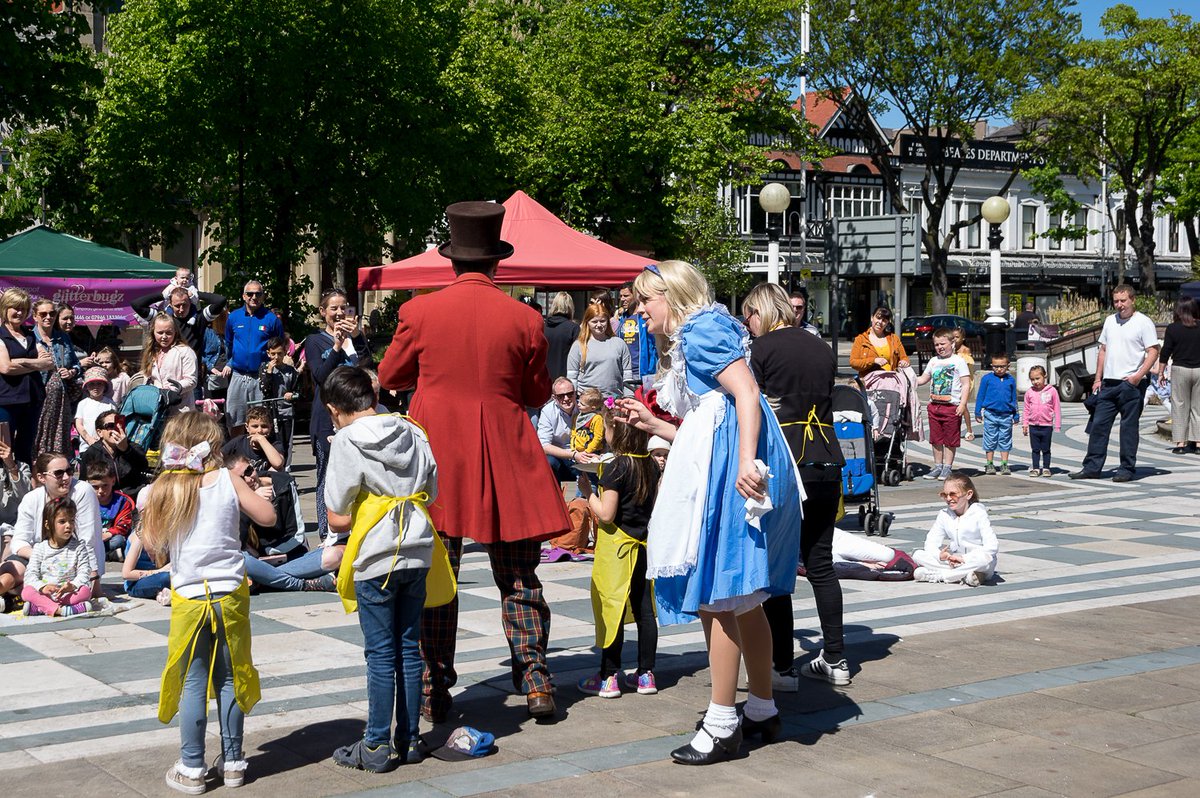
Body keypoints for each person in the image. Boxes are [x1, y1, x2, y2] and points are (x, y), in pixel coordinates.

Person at [378, 201, 570, 722]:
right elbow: (534, 393)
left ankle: (434, 687)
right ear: (495, 263)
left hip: (440, 461)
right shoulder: (526, 318)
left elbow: (391, 376)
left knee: (438, 578)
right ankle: (535, 679)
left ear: (452, 261)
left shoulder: (418, 311)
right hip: (509, 454)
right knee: (520, 575)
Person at [615, 260, 802, 765]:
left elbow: (746, 392)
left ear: (671, 297)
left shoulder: (699, 332)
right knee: (744, 599)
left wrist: (746, 461)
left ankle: (722, 723)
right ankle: (760, 708)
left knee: (717, 596)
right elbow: (709, 420)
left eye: (645, 300)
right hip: (726, 459)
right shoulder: (704, 330)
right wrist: (655, 424)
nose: (639, 310)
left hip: (731, 470)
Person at [141, 412, 275, 794]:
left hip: (189, 596)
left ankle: (192, 765)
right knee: (231, 677)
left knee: (194, 681)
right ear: (212, 446)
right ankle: (233, 762)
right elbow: (267, 516)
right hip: (231, 591)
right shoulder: (228, 480)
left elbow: (154, 549)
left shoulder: (164, 488)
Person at [322, 366, 439, 771]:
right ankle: (408, 739)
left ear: (335, 408)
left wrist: (367, 507)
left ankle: (375, 744)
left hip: (376, 553)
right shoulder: (412, 428)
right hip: (418, 546)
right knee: (409, 648)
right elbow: (433, 489)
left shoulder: (347, 440)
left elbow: (336, 513)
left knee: (379, 654)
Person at [743, 283, 850, 690]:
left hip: (786, 464)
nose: (747, 323)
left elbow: (752, 405)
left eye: (750, 314)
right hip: (826, 459)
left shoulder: (762, 350)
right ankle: (837, 658)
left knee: (777, 568)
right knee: (821, 563)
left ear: (762, 312)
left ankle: (783, 667)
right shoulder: (821, 348)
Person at [575, 403, 659, 699]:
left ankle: (608, 676)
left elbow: (607, 514)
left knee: (612, 608)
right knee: (645, 610)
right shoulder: (649, 462)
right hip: (644, 545)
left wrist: (589, 493)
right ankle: (646, 674)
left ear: (617, 434)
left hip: (619, 549)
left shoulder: (616, 467)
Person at [1072, 284, 1160, 482]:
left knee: (1128, 428)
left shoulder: (1143, 322)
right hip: (1108, 383)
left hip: (1131, 384)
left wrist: (1138, 376)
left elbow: (1153, 351)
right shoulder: (1110, 321)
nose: (1119, 305)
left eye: (1123, 301)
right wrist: (1097, 378)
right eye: (1116, 301)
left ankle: (1126, 468)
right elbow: (1103, 350)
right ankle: (1092, 467)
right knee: (1098, 426)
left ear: (1132, 300)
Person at [304, 288, 371, 538]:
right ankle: (326, 533)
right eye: (334, 308)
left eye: (344, 307)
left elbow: (367, 369)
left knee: (357, 475)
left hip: (355, 417)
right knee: (327, 475)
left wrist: (357, 338)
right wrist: (336, 346)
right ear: (323, 312)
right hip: (326, 418)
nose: (339, 312)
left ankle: (355, 530)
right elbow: (320, 376)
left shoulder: (356, 339)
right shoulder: (314, 341)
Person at [0, 452, 103, 602]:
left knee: (75, 593)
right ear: (41, 477)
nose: (67, 477)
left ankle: (16, 594)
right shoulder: (32, 499)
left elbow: (88, 539)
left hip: (72, 560)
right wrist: (43, 555)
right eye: (59, 473)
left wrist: (94, 580)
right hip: (36, 556)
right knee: (9, 574)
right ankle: (13, 591)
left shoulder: (83, 491)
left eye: (69, 471)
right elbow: (19, 541)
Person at [912, 471, 998, 586]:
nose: (948, 499)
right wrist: (940, 555)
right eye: (944, 495)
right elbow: (930, 543)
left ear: (968, 494)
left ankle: (943, 576)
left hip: (973, 562)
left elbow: (992, 547)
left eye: (953, 494)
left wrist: (964, 558)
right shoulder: (943, 515)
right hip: (953, 562)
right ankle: (966, 577)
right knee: (918, 554)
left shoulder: (979, 513)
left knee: (984, 559)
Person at [0, 289, 54, 465]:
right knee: (3, 448)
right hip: (7, 401)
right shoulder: (1, 335)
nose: (19, 312)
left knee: (26, 447)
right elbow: (6, 367)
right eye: (15, 308)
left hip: (32, 399)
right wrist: (34, 362)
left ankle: (23, 485)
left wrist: (22, 361)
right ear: (5, 308)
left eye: (23, 309)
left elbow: (48, 362)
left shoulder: (30, 334)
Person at [21, 497, 99, 617]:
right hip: (46, 593)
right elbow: (30, 575)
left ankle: (41, 608)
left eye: (72, 521)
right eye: (62, 522)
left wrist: (72, 585)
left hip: (67, 594)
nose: (68, 525)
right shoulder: (40, 548)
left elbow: (84, 573)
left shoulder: (79, 547)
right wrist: (42, 587)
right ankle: (63, 610)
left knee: (85, 591)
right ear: (48, 524)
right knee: (27, 592)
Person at [222, 280, 283, 432]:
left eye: (258, 294)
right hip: (238, 375)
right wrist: (231, 362)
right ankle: (237, 453)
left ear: (263, 296)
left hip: (260, 377)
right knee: (235, 420)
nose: (254, 297)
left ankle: (257, 454)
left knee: (260, 422)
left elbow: (279, 346)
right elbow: (228, 344)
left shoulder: (272, 319)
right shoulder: (234, 317)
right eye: (250, 294)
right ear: (243, 296)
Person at [31, 298, 82, 461]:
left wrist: (72, 372)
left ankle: (58, 473)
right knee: (38, 439)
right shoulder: (30, 339)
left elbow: (76, 364)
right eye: (43, 314)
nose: (48, 317)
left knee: (59, 443)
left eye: (52, 313)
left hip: (62, 402)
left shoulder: (63, 339)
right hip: (38, 400)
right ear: (35, 316)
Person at [916, 328, 970, 480]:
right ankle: (938, 466)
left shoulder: (959, 361)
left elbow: (966, 384)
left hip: (951, 406)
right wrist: (908, 377)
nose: (940, 347)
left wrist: (962, 404)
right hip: (935, 405)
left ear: (952, 343)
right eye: (936, 344)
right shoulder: (934, 361)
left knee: (950, 439)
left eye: (943, 344)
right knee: (935, 438)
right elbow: (923, 379)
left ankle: (947, 467)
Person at [1157, 296, 1200, 454]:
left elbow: (1165, 351)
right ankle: (1198, 444)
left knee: (1179, 406)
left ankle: (1181, 444)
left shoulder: (1173, 328)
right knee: (1198, 407)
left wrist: (1161, 372)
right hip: (1199, 369)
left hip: (1180, 369)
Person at [568, 302, 633, 399]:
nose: (599, 325)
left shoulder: (619, 343)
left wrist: (629, 397)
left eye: (602, 321)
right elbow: (572, 377)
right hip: (587, 401)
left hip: (614, 400)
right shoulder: (578, 345)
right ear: (587, 323)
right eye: (594, 322)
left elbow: (627, 375)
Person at [79, 410, 151, 497]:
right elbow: (83, 483)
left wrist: (126, 449)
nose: (116, 429)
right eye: (110, 426)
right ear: (100, 432)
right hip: (104, 499)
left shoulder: (133, 448)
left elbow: (143, 466)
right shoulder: (92, 452)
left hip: (132, 497)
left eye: (119, 424)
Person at [538, 377, 598, 481]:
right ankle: (555, 496)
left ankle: (587, 496)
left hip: (585, 453)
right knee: (548, 462)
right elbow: (544, 445)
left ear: (575, 393)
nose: (566, 398)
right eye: (561, 396)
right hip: (561, 456)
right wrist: (574, 455)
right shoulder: (547, 411)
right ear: (554, 397)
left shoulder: (586, 407)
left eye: (570, 394)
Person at [141, 314, 198, 416]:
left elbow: (191, 380)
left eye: (168, 333)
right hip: (157, 410)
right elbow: (148, 377)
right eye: (160, 333)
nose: (164, 337)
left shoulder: (185, 351)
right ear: (153, 332)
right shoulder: (151, 353)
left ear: (175, 332)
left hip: (181, 410)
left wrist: (171, 390)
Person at [975, 354, 1020, 475]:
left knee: (1005, 439)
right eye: (996, 367)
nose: (999, 369)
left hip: (1006, 414)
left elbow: (1013, 398)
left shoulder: (1010, 380)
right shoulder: (987, 379)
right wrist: (977, 411)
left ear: (1008, 366)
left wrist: (1016, 414)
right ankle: (989, 464)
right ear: (991, 366)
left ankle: (1004, 464)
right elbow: (980, 395)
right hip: (990, 414)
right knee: (990, 439)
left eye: (1002, 366)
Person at [85, 458, 135, 563]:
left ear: (113, 481)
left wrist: (109, 534)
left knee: (118, 541)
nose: (100, 491)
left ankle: (103, 555)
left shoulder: (122, 501)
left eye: (105, 485)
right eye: (95, 487)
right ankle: (111, 555)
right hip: (91, 537)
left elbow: (124, 524)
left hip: (110, 537)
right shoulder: (85, 500)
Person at [258, 336, 298, 466]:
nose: (276, 357)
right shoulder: (264, 368)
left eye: (279, 354)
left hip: (286, 412)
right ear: (268, 353)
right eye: (273, 354)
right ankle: (271, 466)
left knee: (286, 442)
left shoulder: (291, 371)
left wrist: (292, 394)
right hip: (270, 412)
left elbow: (298, 390)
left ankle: (286, 467)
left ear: (285, 352)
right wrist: (269, 372)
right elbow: (264, 389)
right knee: (272, 441)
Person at [849, 305, 910, 377]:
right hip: (869, 383)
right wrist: (874, 360)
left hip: (891, 382)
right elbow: (853, 362)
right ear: (872, 318)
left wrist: (904, 362)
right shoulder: (861, 339)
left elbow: (905, 358)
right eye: (878, 318)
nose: (880, 322)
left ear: (887, 323)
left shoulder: (894, 339)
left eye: (884, 320)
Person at [1023, 365, 1061, 477]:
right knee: (1035, 449)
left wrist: (1057, 425)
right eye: (1032, 379)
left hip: (1047, 425)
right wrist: (1025, 424)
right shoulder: (1029, 392)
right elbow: (1026, 409)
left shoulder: (1052, 391)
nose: (1035, 382)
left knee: (1046, 449)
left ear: (1045, 376)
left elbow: (1057, 408)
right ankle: (1035, 468)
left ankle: (1046, 467)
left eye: (1037, 378)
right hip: (1033, 425)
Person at [616, 281, 659, 382]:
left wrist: (651, 370)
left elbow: (654, 345)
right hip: (625, 371)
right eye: (621, 296)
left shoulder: (644, 317)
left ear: (635, 296)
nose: (622, 299)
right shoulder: (622, 318)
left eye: (626, 296)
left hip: (643, 372)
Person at [222, 406, 285, 473]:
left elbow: (278, 463)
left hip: (264, 480)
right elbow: (218, 457)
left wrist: (261, 439)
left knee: (278, 470)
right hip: (244, 480)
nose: (259, 430)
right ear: (247, 427)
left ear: (270, 427)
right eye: (255, 426)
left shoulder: (275, 443)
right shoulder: (239, 441)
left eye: (264, 426)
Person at [121, 527, 172, 601]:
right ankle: (163, 593)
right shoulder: (139, 537)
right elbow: (126, 574)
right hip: (136, 584)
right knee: (166, 577)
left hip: (157, 579)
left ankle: (162, 594)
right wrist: (160, 570)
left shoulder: (168, 535)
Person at [74, 367, 116, 454]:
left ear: (105, 386)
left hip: (107, 447)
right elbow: (79, 424)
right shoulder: (83, 404)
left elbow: (114, 425)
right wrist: (89, 439)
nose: (95, 387)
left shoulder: (110, 404)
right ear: (86, 387)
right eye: (92, 384)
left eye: (99, 384)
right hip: (87, 446)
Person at [543, 292, 580, 381]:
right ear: (571, 307)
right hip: (565, 379)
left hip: (544, 378)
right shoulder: (573, 328)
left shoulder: (543, 327)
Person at [952, 327, 977, 442]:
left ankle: (969, 429)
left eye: (957, 337)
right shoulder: (951, 350)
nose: (954, 340)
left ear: (963, 338)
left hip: (966, 381)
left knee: (964, 406)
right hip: (954, 381)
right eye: (952, 337)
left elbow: (966, 366)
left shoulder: (964, 350)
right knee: (955, 405)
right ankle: (955, 429)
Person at [56, 304, 95, 369]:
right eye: (65, 319)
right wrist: (80, 363)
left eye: (71, 318)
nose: (69, 321)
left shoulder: (76, 335)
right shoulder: (52, 340)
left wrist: (93, 353)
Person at [572, 388, 606, 456]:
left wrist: (587, 451)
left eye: (582, 404)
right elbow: (573, 433)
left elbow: (598, 437)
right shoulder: (577, 417)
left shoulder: (597, 418)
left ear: (593, 408)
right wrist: (573, 448)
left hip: (592, 452)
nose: (578, 405)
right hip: (577, 452)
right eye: (578, 401)